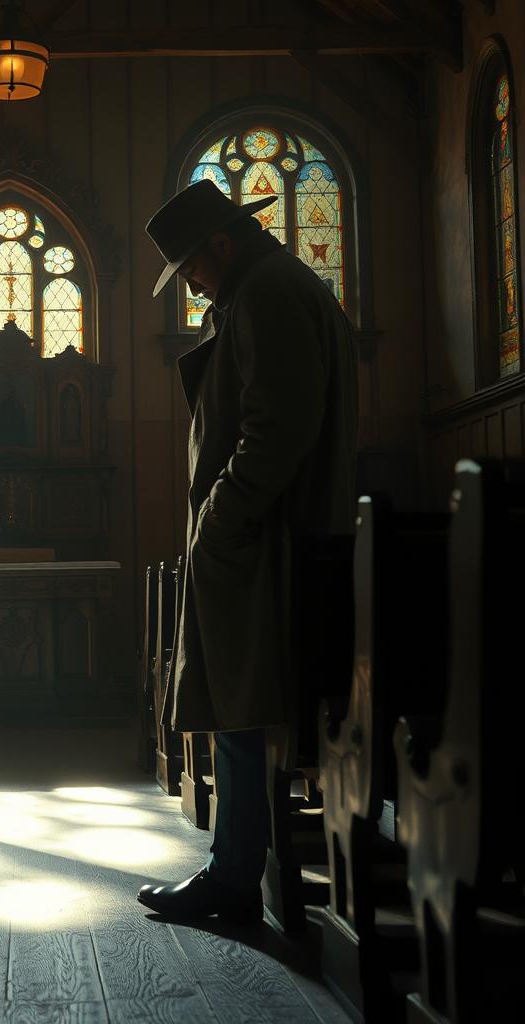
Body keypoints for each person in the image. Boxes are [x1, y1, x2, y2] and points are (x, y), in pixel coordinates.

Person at [137, 178, 358, 922]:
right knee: (241, 705)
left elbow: (277, 428)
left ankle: (233, 878)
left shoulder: (266, 292)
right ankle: (235, 867)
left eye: (192, 266)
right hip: (263, 540)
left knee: (241, 705)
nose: (193, 281)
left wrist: (221, 518)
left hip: (268, 546)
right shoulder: (265, 288)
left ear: (221, 246)